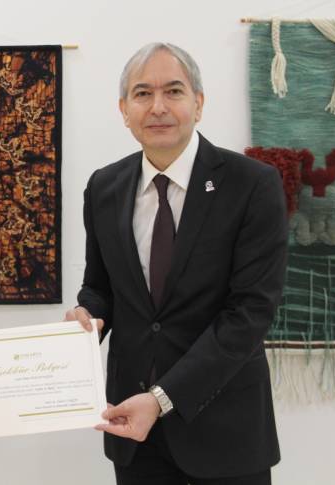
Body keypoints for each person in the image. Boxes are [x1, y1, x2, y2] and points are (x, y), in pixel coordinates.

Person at [65, 43, 287, 485]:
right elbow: (101, 286)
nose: (158, 107)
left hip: (226, 429)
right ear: (124, 110)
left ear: (198, 104)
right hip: (133, 432)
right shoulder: (104, 187)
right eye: (142, 93)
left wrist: (162, 398)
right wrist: (88, 315)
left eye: (173, 91)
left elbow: (250, 313)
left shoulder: (252, 185)